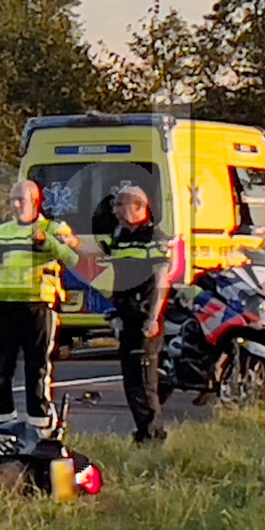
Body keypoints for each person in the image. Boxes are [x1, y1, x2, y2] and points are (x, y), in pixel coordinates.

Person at [0, 179, 79, 436]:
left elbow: (71, 256)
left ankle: (40, 427)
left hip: (37, 305)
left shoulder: (52, 227)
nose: (16, 205)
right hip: (5, 307)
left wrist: (46, 240)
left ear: (35, 201)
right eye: (12, 200)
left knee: (36, 369)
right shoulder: (2, 231)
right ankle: (3, 425)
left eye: (21, 200)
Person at [98, 183, 171, 444]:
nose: (115, 211)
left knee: (144, 380)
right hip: (126, 318)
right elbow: (115, 279)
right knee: (131, 382)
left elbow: (162, 280)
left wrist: (153, 317)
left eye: (120, 205)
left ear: (139, 207)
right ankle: (143, 434)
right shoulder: (120, 237)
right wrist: (114, 312)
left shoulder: (154, 238)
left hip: (144, 318)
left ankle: (153, 436)